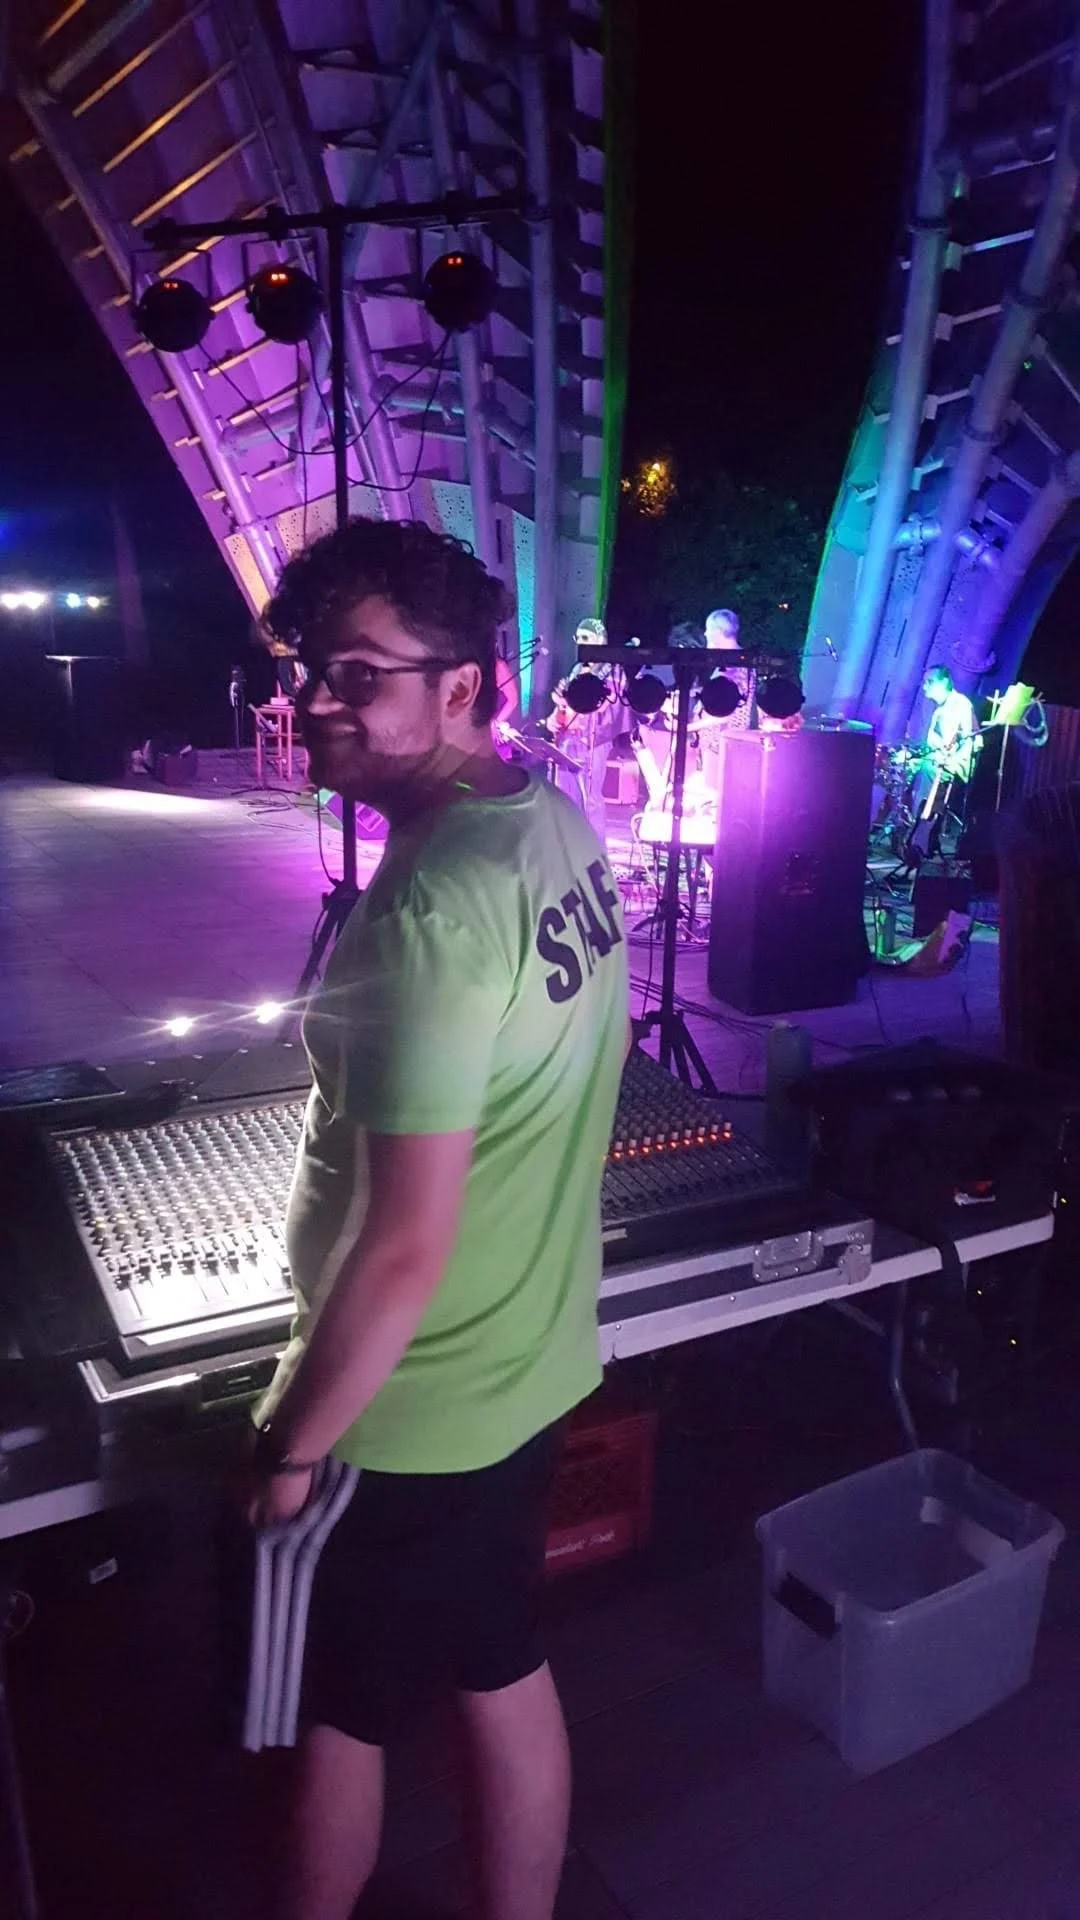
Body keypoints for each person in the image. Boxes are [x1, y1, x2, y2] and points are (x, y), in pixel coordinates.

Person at [243, 517, 629, 1920]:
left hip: (409, 1413)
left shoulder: (430, 910)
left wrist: (297, 1447)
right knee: (497, 1658)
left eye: (362, 674)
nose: (318, 703)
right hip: (527, 1365)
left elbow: (402, 1246)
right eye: (309, 668)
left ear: (460, 687)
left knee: (334, 1716)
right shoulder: (550, 819)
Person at [546, 616, 625, 838]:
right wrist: (556, 712)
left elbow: (608, 707)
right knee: (565, 797)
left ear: (600, 639)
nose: (580, 642)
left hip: (593, 741)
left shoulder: (611, 669)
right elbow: (564, 701)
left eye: (585, 637)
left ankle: (596, 851)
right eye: (577, 637)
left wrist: (572, 701)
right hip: (568, 739)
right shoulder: (577, 668)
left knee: (590, 799)